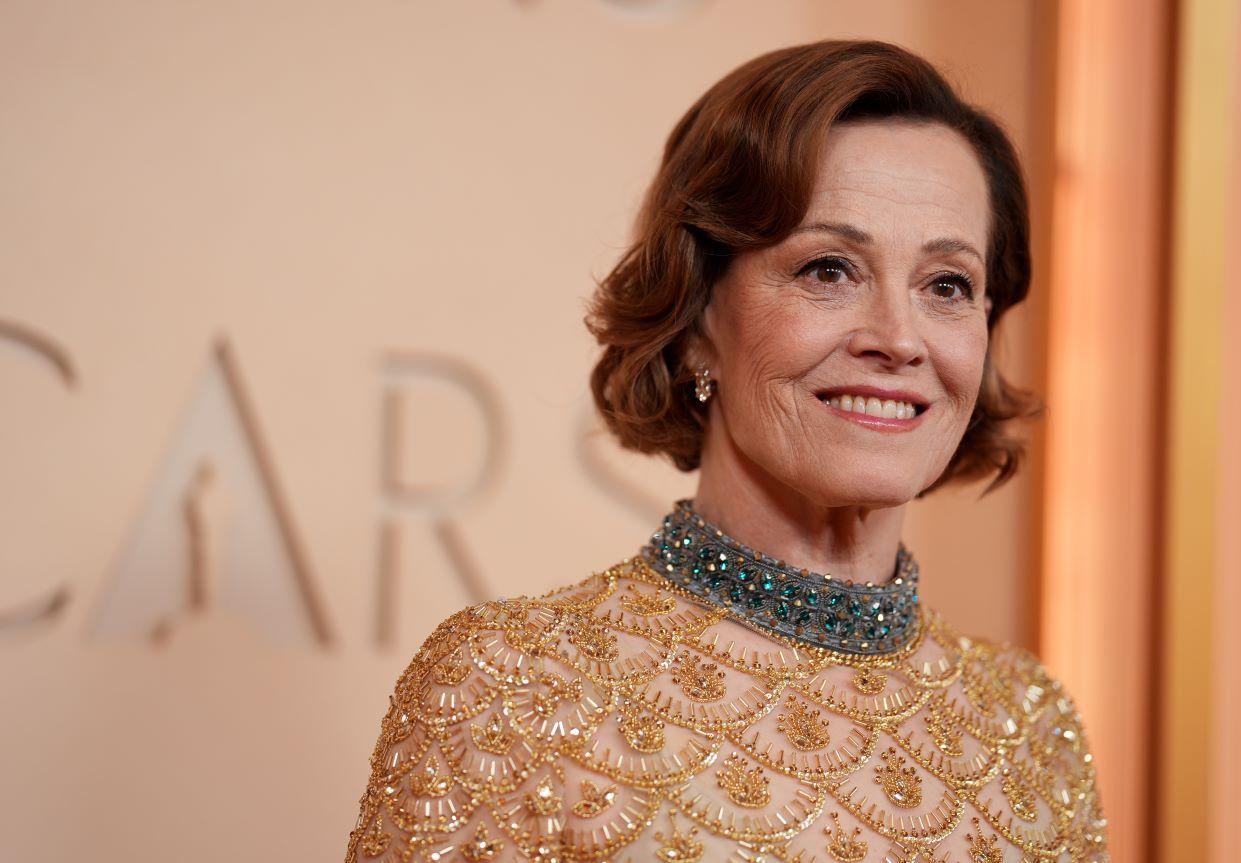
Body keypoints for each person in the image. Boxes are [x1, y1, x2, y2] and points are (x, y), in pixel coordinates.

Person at [344, 39, 1108, 863]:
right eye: (829, 269)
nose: (898, 337)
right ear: (696, 317)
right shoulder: (515, 685)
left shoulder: (1030, 722)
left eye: (947, 285)